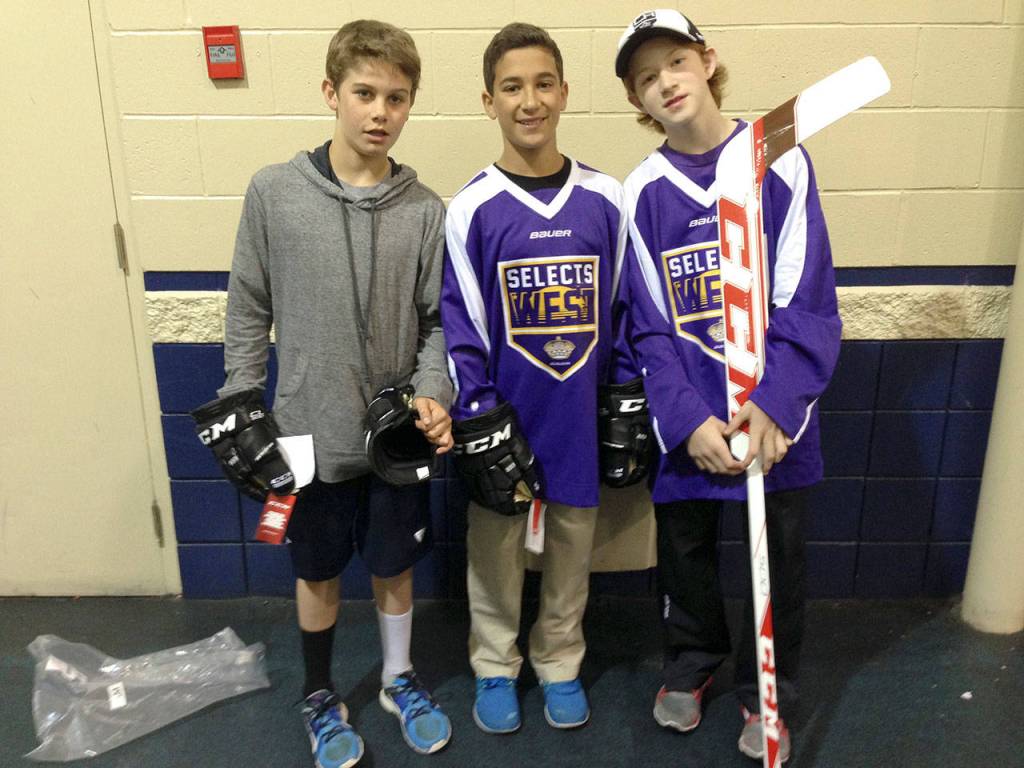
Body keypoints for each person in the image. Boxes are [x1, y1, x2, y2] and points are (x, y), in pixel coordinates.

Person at [211, 19, 454, 768]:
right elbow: (249, 306)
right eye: (364, 93)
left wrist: (433, 389)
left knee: (393, 566)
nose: (381, 112)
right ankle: (319, 693)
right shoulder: (274, 194)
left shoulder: (425, 210)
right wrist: (243, 399)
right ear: (331, 93)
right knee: (316, 573)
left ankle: (398, 678)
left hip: (395, 442)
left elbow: (437, 321)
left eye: (397, 97)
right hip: (306, 436)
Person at [614, 9, 842, 763]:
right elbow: (647, 323)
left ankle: (764, 687)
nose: (664, 83)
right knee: (687, 556)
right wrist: (686, 421)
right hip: (694, 427)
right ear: (636, 102)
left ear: (707, 61)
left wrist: (776, 406)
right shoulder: (641, 193)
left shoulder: (779, 158)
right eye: (645, 78)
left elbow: (805, 296)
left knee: (774, 560)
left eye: (674, 63)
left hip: (775, 427)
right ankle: (692, 663)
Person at [441, 22, 627, 735]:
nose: (529, 100)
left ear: (564, 93)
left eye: (542, 83)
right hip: (506, 425)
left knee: (573, 548)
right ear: (489, 101)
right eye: (512, 87)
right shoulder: (472, 208)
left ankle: (560, 660)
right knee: (493, 554)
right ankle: (494, 664)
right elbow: (463, 322)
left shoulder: (606, 199)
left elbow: (622, 304)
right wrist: (481, 413)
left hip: (577, 416)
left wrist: (622, 393)